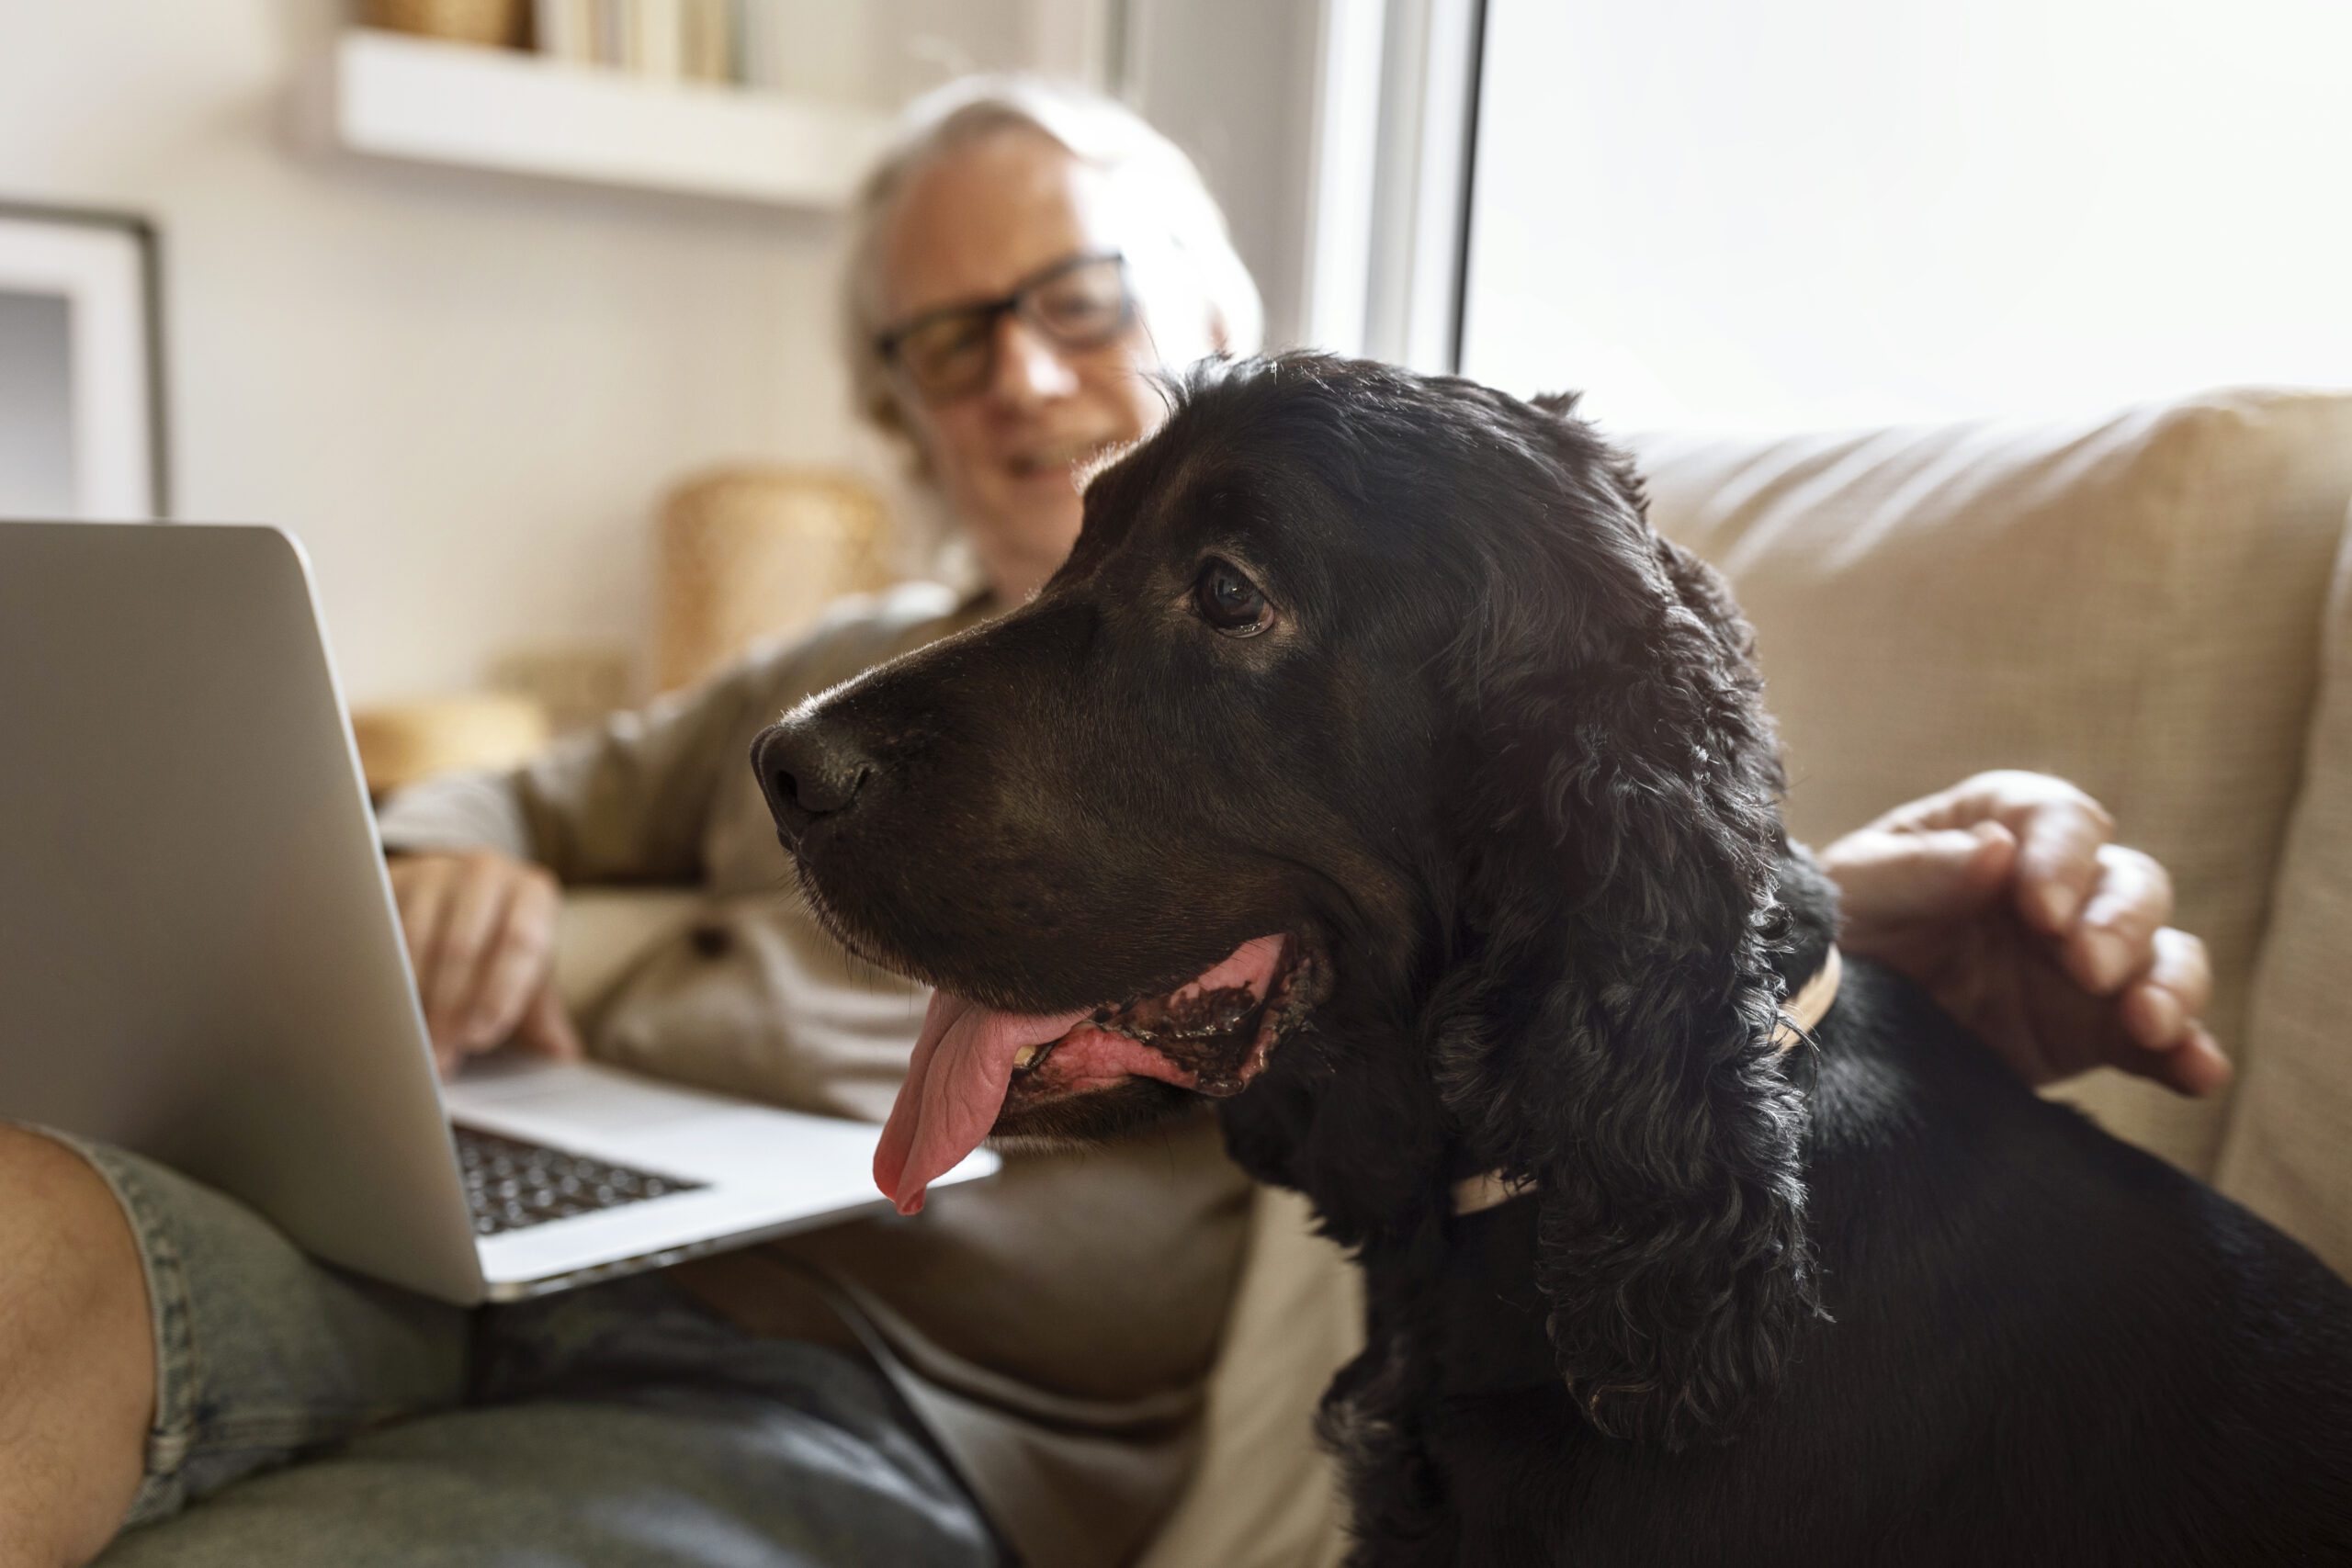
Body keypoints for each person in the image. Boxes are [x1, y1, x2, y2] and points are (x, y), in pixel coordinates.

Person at [0, 77, 2225, 1568]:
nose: (1014, 371)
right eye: (946, 339)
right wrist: (445, 848)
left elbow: (1523, 867)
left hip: (865, 1405)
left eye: (1075, 298)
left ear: (1209, 319)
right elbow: (497, 780)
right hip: (509, 1246)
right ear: (900, 403)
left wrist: (1835, 915)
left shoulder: (1375, 647)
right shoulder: (837, 678)